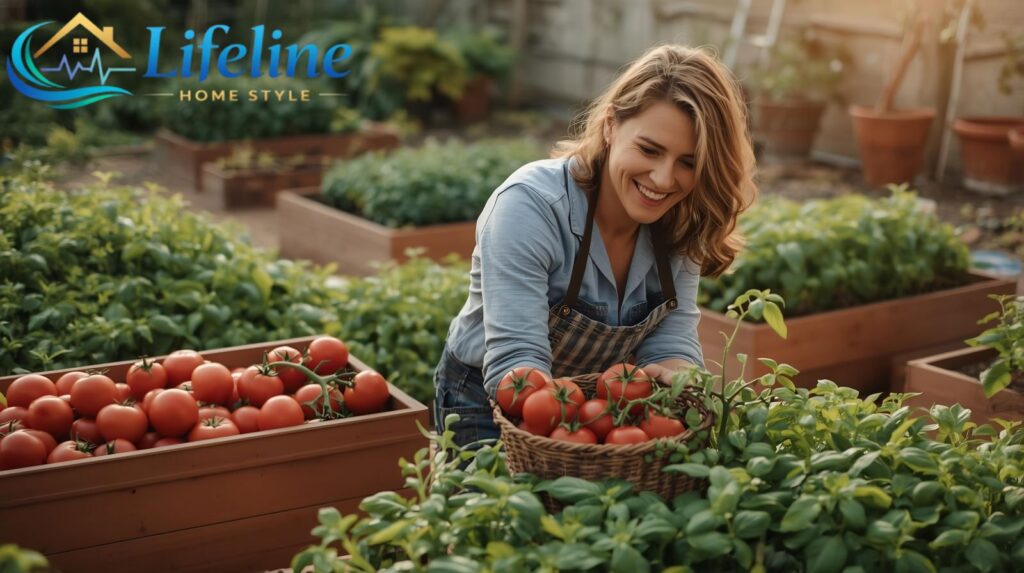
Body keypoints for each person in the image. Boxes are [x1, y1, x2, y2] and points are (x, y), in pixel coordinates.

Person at [433, 44, 756, 447]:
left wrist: (681, 384)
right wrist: (582, 431)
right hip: (485, 399)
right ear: (609, 126)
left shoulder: (681, 220)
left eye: (688, 163)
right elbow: (516, 361)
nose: (662, 178)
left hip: (596, 409)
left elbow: (670, 341)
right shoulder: (531, 207)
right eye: (649, 150)